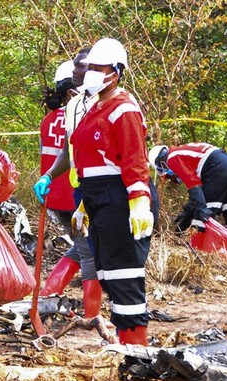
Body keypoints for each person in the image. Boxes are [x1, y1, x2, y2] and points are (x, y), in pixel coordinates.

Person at [34, 38, 154, 346]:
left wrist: (139, 201)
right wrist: (84, 205)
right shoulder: (90, 107)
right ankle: (123, 342)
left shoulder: (123, 109)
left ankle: (135, 346)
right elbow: (82, 156)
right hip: (95, 197)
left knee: (125, 274)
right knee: (107, 273)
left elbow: (134, 161)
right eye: (91, 68)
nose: (91, 74)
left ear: (116, 72)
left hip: (119, 197)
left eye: (99, 69)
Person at [37, 58, 105, 326]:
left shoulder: (48, 120)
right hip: (76, 196)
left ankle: (48, 293)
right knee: (89, 254)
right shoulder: (82, 114)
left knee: (81, 247)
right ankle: (92, 314)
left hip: (53, 197)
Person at [148, 143, 227, 234]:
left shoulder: (172, 158)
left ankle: (197, 244)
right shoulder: (184, 152)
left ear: (161, 163)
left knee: (201, 218)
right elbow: (197, 194)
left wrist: (202, 208)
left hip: (218, 168)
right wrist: (187, 214)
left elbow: (193, 185)